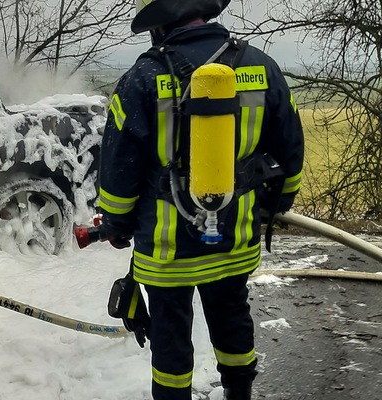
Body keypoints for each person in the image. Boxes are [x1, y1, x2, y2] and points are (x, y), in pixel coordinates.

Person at [98, 1, 304, 399]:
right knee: (232, 317)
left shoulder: (142, 77)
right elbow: (290, 148)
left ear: (160, 25)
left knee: (171, 338)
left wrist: (117, 225)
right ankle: (239, 393)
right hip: (235, 238)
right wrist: (273, 206)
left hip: (167, 250)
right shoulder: (261, 67)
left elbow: (118, 170)